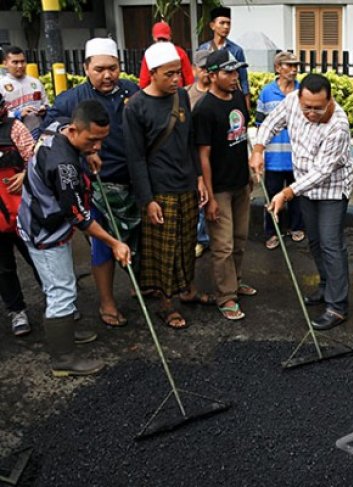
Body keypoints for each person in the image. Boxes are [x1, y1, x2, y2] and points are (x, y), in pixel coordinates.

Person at [17, 100, 131, 376]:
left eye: (102, 140)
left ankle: (64, 331)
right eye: (92, 140)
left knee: (60, 282)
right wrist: (114, 243)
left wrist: (87, 152)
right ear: (74, 130)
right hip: (44, 231)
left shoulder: (57, 128)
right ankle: (63, 358)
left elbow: (68, 136)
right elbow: (80, 217)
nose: (97, 147)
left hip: (39, 217)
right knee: (61, 291)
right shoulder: (64, 169)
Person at [43, 37, 139, 328]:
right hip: (94, 184)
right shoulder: (70, 100)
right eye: (99, 69)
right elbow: (48, 132)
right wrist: (88, 153)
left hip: (131, 180)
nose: (107, 75)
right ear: (86, 68)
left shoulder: (131, 91)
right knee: (102, 246)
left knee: (136, 240)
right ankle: (107, 303)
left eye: (112, 68)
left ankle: (141, 286)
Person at [251, 73, 353, 330]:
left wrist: (286, 194)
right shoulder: (291, 102)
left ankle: (337, 306)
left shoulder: (338, 126)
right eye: (306, 106)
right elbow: (270, 123)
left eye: (318, 108)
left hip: (331, 188)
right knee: (315, 240)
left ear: (329, 100)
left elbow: (322, 172)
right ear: (299, 98)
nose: (311, 112)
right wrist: (258, 149)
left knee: (331, 243)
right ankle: (324, 285)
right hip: (303, 188)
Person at [124, 42, 210, 329]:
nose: (176, 79)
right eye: (169, 74)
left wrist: (199, 177)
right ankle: (166, 303)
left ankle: (187, 289)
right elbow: (135, 158)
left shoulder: (182, 97)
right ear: (153, 72)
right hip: (159, 190)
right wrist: (147, 199)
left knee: (187, 245)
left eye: (179, 73)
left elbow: (189, 141)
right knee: (164, 250)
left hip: (186, 184)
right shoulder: (136, 106)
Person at [193, 50, 254, 321]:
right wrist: (210, 197)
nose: (234, 77)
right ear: (212, 74)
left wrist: (250, 171)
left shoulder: (239, 97)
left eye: (236, 71)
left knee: (240, 239)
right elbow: (202, 155)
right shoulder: (204, 109)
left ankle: (236, 281)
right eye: (228, 72)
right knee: (223, 245)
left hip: (242, 182)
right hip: (219, 188)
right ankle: (226, 295)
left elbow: (242, 138)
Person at [256, 51, 305, 250]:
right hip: (274, 158)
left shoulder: (303, 91)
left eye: (295, 66)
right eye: (288, 66)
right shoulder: (267, 93)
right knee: (272, 197)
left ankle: (296, 227)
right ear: (278, 68)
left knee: (296, 196)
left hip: (297, 157)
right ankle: (272, 232)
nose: (293, 70)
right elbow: (260, 125)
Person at [0, 93, 39, 336]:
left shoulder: (15, 128)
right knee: (3, 268)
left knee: (38, 258)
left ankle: (57, 302)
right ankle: (17, 311)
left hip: (22, 211)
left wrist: (25, 174)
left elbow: (36, 158)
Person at [198, 6, 251, 112]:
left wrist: (246, 106)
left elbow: (243, 80)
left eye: (228, 23)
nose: (226, 27)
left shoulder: (236, 50)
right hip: (209, 97)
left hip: (230, 98)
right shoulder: (203, 49)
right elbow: (198, 77)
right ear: (212, 25)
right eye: (222, 23)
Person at [187, 50, 212, 258]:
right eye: (202, 68)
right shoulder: (186, 95)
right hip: (196, 157)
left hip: (218, 158)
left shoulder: (219, 93)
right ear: (194, 69)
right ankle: (200, 238)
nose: (206, 72)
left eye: (210, 68)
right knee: (201, 200)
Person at [0, 46, 49, 139]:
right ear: (5, 63)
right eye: (15, 62)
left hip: (37, 132)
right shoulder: (1, 86)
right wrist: (17, 114)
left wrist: (43, 110)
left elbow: (45, 104)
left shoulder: (36, 82)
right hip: (13, 137)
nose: (20, 65)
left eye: (22, 61)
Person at [138, 21, 194, 88]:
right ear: (170, 37)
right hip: (176, 91)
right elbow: (189, 78)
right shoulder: (179, 52)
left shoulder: (150, 53)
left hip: (157, 93)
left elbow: (144, 81)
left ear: (154, 37)